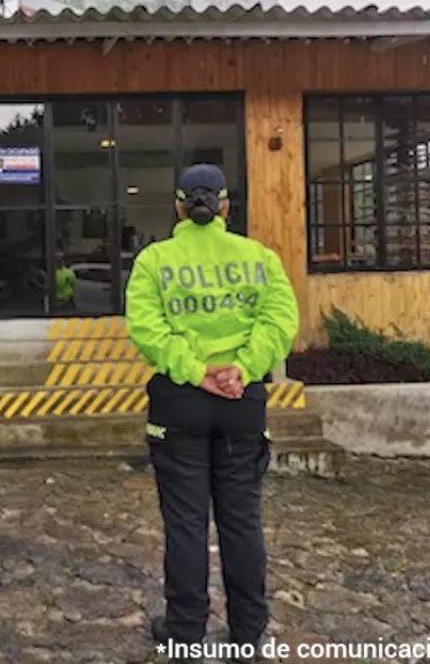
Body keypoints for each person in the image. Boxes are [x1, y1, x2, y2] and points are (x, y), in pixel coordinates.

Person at [124, 164, 300, 662]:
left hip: (179, 401)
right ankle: (248, 631)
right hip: (241, 403)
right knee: (242, 520)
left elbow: (146, 329)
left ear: (179, 207)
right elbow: (281, 320)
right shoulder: (258, 257)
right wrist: (242, 369)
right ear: (226, 207)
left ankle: (184, 630)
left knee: (185, 523)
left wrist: (195, 370)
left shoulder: (155, 261)